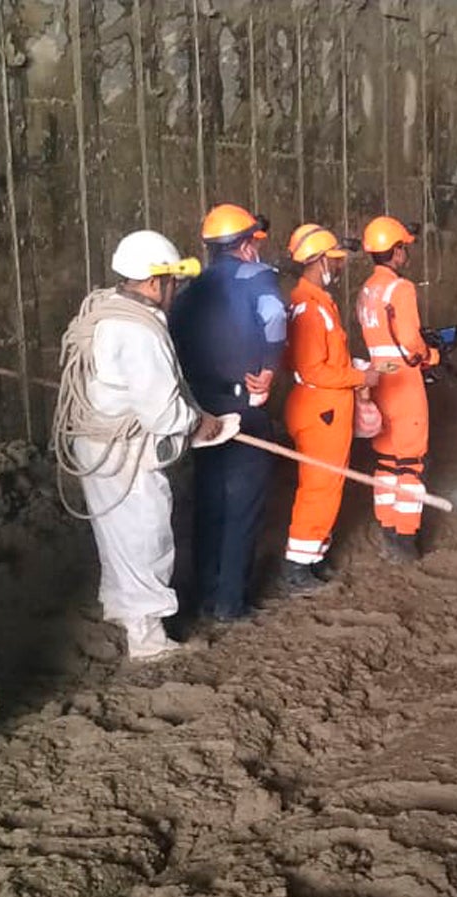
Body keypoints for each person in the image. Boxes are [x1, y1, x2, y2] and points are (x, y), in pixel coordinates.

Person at [56, 231, 240, 660]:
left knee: (116, 533)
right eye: (172, 281)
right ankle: (148, 641)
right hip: (124, 451)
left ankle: (121, 609)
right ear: (156, 282)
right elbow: (163, 411)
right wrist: (201, 423)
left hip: (97, 442)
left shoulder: (106, 308)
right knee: (145, 534)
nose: (174, 290)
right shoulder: (139, 332)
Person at [170, 203, 286, 623]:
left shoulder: (188, 291)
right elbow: (275, 320)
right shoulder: (257, 279)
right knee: (242, 504)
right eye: (255, 239)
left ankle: (203, 590)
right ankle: (229, 602)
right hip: (244, 408)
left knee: (209, 499)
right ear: (245, 244)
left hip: (202, 411)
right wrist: (270, 366)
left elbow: (175, 343)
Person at [281, 224, 371, 593]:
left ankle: (312, 556)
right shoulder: (309, 308)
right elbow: (311, 367)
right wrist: (357, 377)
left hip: (327, 407)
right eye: (334, 260)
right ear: (318, 261)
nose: (339, 266)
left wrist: (357, 369)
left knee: (328, 486)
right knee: (319, 488)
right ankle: (297, 566)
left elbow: (326, 360)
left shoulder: (318, 303)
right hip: (321, 409)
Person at [356, 216, 438, 561]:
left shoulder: (366, 290)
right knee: (410, 464)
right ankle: (406, 537)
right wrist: (428, 354)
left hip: (379, 378)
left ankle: (387, 527)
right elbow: (410, 341)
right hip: (404, 382)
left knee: (387, 460)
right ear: (397, 252)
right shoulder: (400, 289)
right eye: (403, 247)